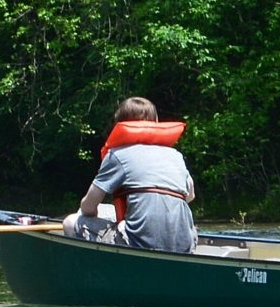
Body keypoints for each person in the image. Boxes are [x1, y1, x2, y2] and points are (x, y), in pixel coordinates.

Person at [64, 97, 196, 254]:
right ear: (156, 121)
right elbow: (190, 196)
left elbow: (88, 207)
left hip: (138, 244)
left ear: (120, 124)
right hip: (185, 245)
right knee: (109, 210)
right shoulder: (175, 155)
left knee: (70, 222)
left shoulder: (117, 155)